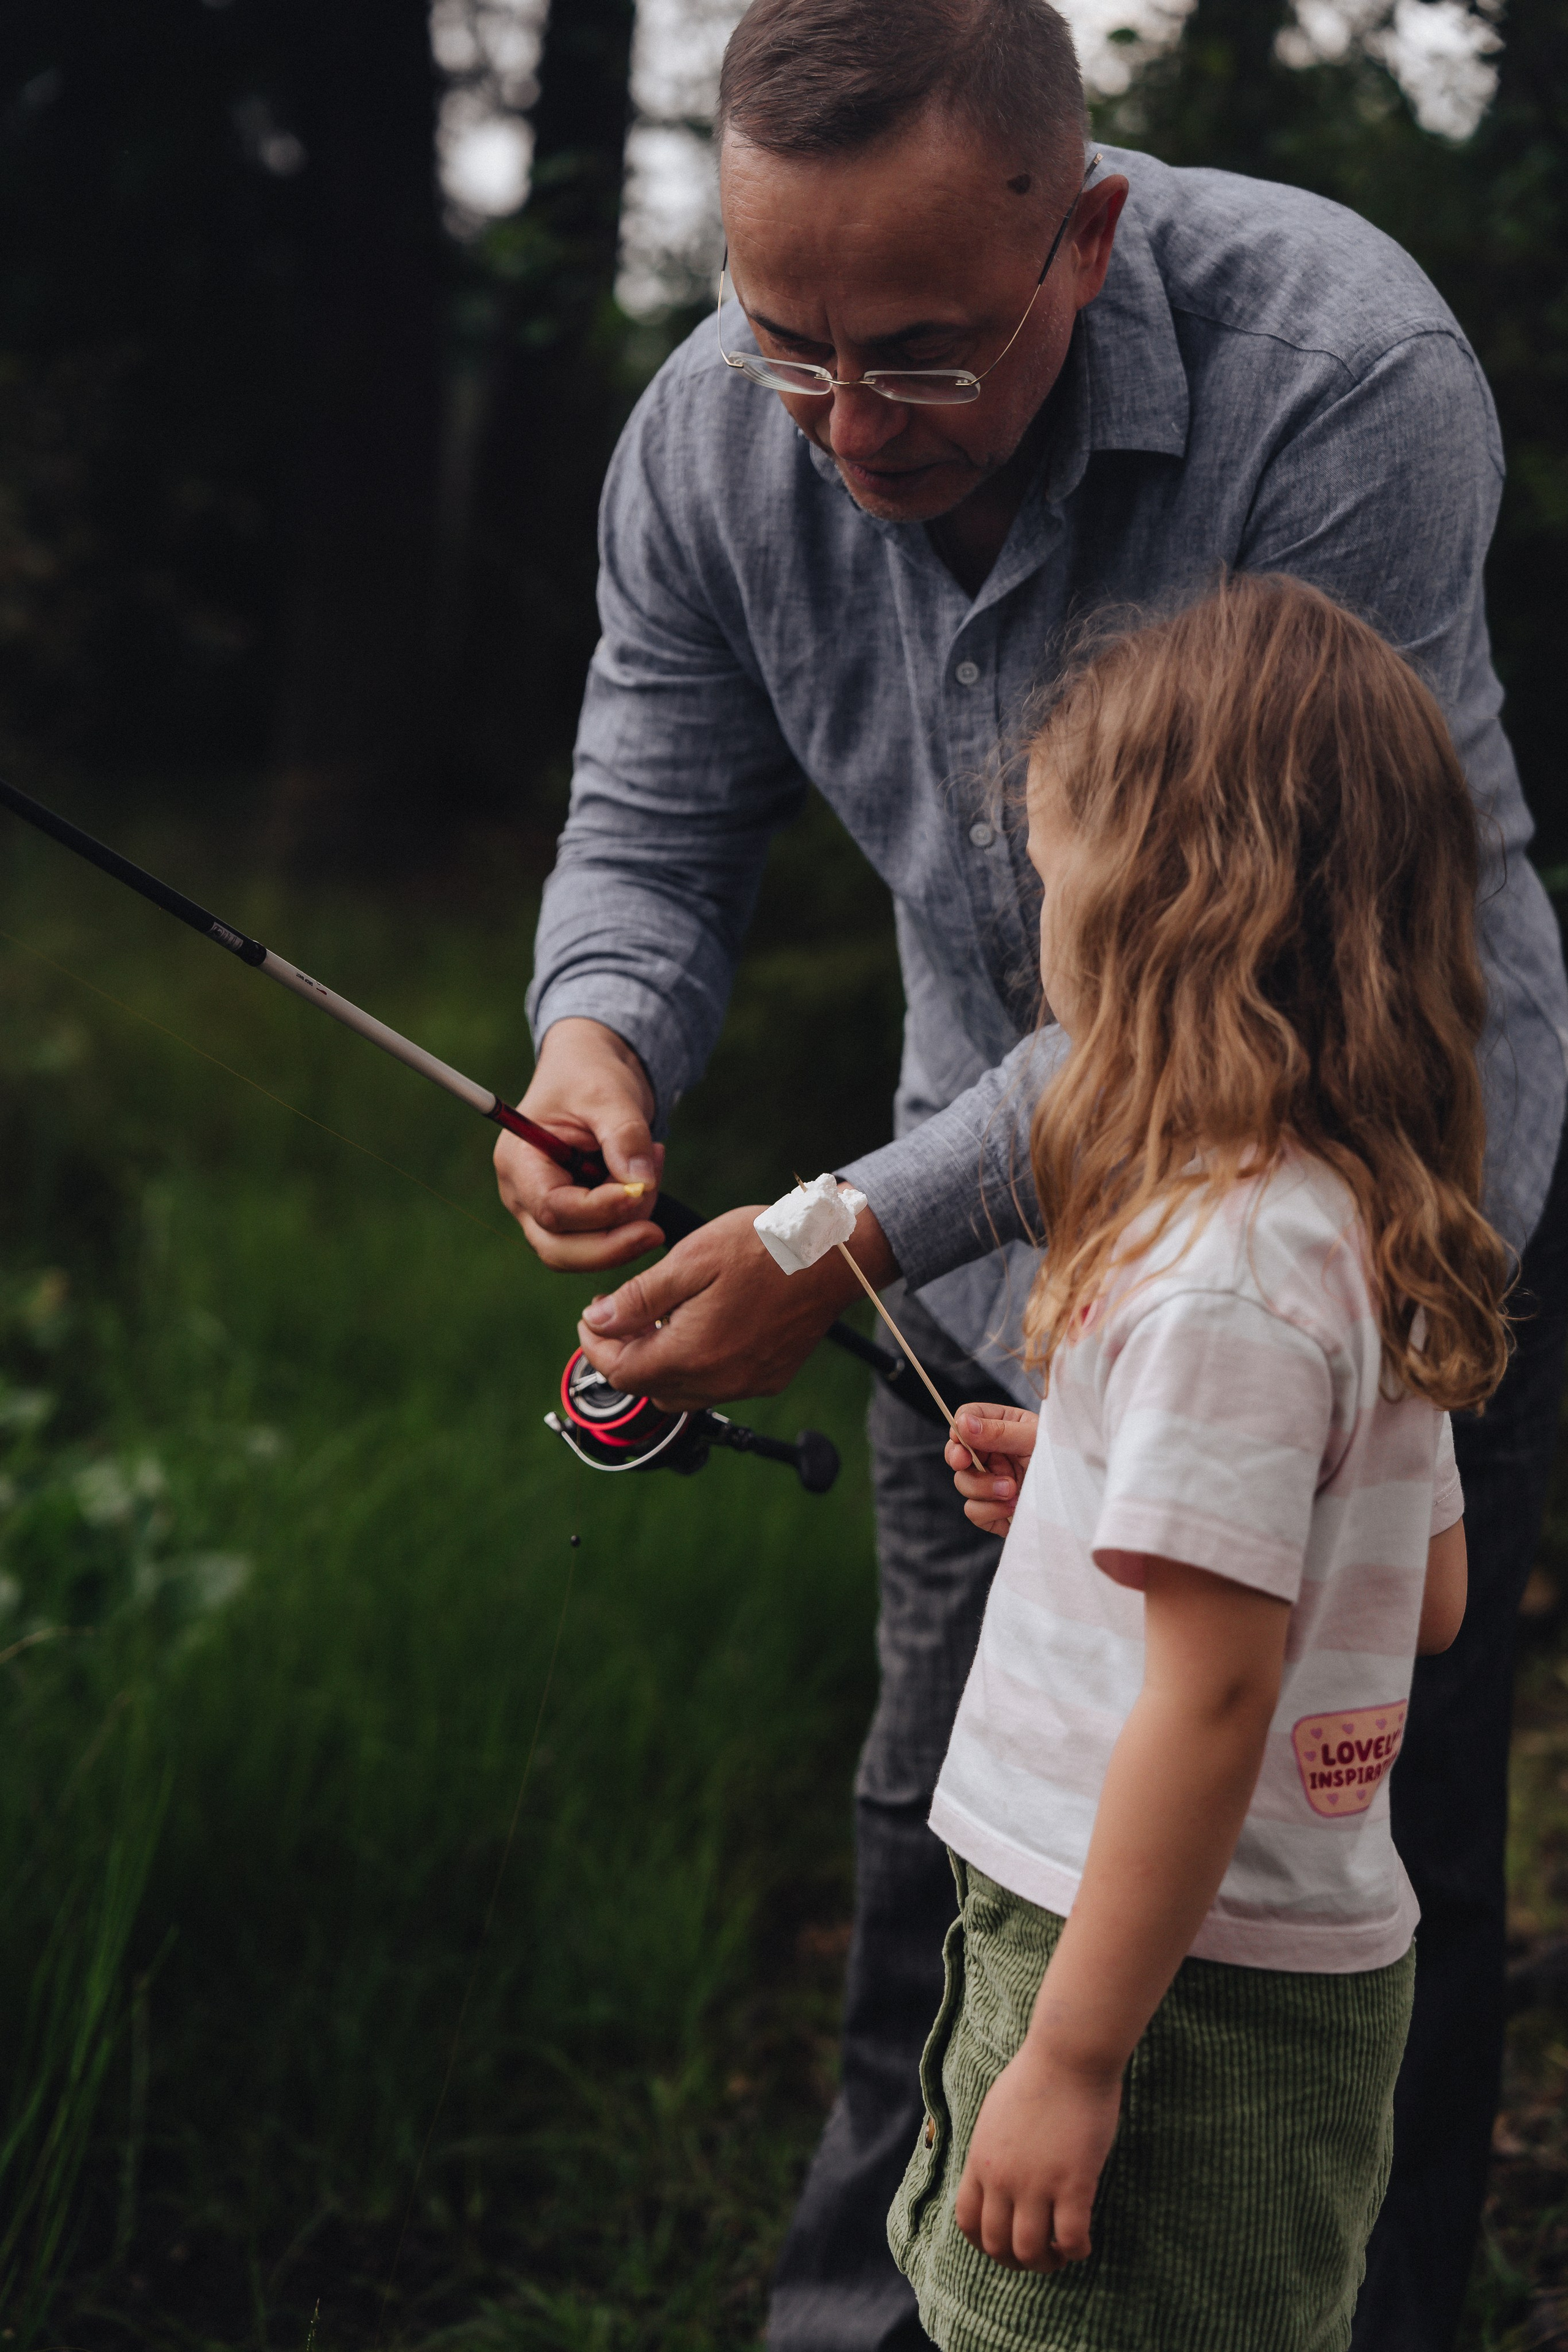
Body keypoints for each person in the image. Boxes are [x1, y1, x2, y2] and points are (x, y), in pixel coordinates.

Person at [492, 2, 1568, 2343]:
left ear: (1081, 236)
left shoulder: (1344, 374)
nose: (850, 429)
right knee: (954, 1831)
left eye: (921, 360)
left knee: (1341, 1857)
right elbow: (654, 815)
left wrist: (829, 1228)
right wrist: (596, 1043)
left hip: (1371, 1202)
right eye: (791, 349)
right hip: (995, 1291)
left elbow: (1254, 991)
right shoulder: (714, 438)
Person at [885, 569, 1507, 2352]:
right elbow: (1422, 1594)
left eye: (1064, 878)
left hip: (1160, 1999)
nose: (1045, 935)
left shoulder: (1224, 1267)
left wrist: (1077, 2056)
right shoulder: (1354, 1212)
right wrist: (1095, 1501)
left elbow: (1219, 1702)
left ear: (1165, 914)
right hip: (1255, 1972)